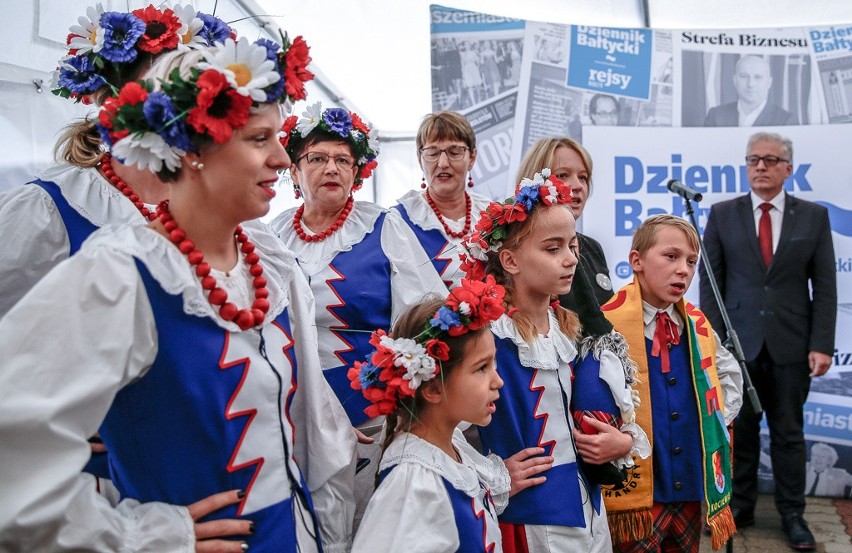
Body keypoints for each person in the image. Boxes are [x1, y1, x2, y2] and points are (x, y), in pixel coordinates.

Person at [0, 37, 357, 552]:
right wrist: (140, 537)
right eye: (260, 138)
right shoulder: (121, 272)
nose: (283, 158)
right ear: (192, 151)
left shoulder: (260, 262)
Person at [0, 3, 233, 318]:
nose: (186, 105)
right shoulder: (51, 206)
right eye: (168, 86)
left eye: (201, 90)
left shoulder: (227, 210)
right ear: (116, 100)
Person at [460, 170, 641, 552]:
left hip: (590, 508)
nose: (571, 259)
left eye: (573, 246)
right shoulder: (487, 336)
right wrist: (493, 473)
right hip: (531, 520)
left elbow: (595, 412)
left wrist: (621, 442)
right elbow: (439, 429)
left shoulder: (570, 330)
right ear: (509, 260)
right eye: (553, 248)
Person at [699, 132, 837, 550]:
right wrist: (715, 343)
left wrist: (822, 344)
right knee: (740, 429)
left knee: (789, 433)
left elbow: (825, 286)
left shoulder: (813, 217)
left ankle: (793, 515)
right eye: (754, 159)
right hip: (737, 349)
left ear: (788, 169)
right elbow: (711, 284)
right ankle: (740, 506)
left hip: (792, 346)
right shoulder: (723, 215)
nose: (761, 166)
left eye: (771, 160)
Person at [602, 214, 743, 552]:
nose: (684, 269)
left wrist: (715, 421)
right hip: (639, 494)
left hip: (689, 487)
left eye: (691, 261)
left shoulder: (696, 325)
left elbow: (728, 377)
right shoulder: (608, 324)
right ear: (636, 260)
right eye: (671, 256)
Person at [348, 284, 510, 551]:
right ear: (433, 389)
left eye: (493, 365)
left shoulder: (452, 454)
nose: (498, 381)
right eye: (482, 368)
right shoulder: (414, 482)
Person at [393, 111, 492, 289]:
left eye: (455, 152)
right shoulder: (398, 221)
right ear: (419, 158)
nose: (443, 163)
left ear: (472, 158)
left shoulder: (491, 215)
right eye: (432, 152)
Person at [516, 137, 613, 308]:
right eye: (563, 175)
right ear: (535, 181)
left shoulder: (593, 248)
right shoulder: (517, 247)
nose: (578, 186)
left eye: (583, 177)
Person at [704, 55, 798, 127]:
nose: (750, 84)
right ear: (735, 80)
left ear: (769, 82)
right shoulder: (716, 115)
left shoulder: (786, 120)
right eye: (744, 76)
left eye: (758, 77)